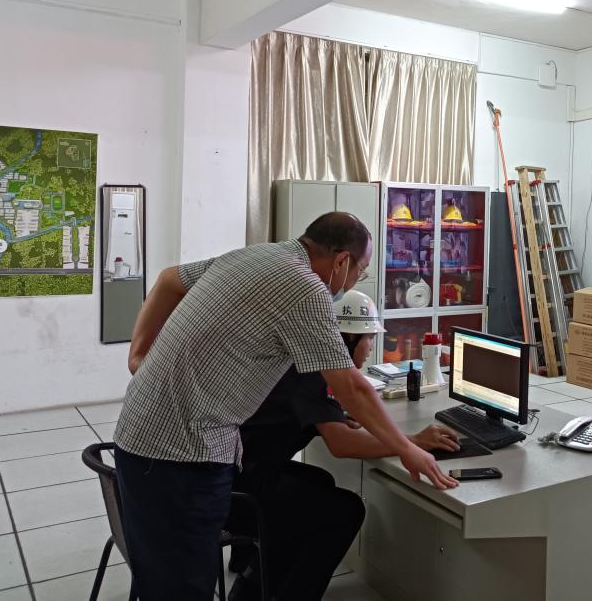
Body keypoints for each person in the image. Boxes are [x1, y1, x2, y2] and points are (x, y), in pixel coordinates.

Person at [112, 212, 456, 601]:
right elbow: (352, 388)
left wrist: (139, 353)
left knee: (167, 579)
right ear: (342, 261)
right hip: (181, 455)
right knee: (182, 588)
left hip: (143, 436)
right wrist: (407, 447)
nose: (353, 283)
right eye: (360, 272)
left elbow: (167, 279)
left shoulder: (256, 255)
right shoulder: (306, 288)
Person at [226, 290, 460, 600]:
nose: (372, 346)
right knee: (345, 510)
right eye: (369, 338)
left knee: (320, 482)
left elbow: (299, 414)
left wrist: (332, 419)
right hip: (234, 492)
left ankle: (253, 583)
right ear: (348, 339)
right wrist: (412, 442)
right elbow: (342, 444)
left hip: (234, 472)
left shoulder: (306, 360)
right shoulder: (316, 372)